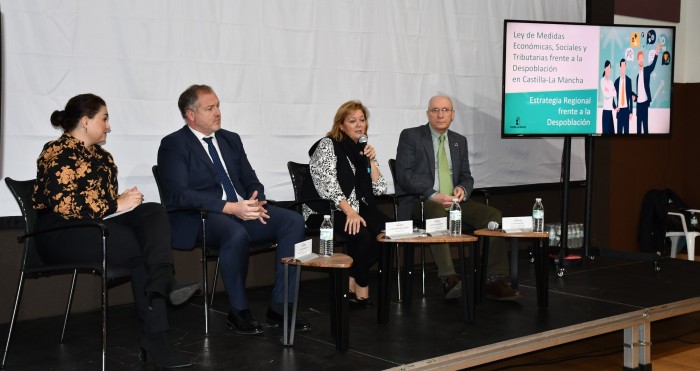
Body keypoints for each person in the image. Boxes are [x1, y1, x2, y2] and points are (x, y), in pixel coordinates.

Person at [32, 94, 200, 368]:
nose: (108, 126)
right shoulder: (56, 151)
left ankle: (160, 282)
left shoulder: (104, 158)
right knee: (139, 246)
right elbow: (65, 205)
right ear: (86, 121)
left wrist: (125, 202)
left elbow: (103, 209)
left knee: (154, 210)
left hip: (93, 226)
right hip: (58, 233)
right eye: (104, 118)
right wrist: (114, 203)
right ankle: (157, 328)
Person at [157, 84, 309, 335]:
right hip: (204, 216)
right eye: (210, 108)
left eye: (218, 106)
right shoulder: (174, 144)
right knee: (234, 234)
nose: (217, 112)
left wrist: (255, 200)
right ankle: (238, 310)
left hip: (242, 209)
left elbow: (250, 178)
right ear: (191, 115)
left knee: (292, 221)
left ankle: (281, 306)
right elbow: (179, 194)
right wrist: (230, 207)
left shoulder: (230, 139)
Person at [395, 95, 521, 301]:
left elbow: (466, 176)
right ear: (428, 113)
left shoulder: (458, 141)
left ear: (452, 114)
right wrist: (433, 195)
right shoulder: (411, 136)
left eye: (445, 110)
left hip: (455, 204)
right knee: (436, 212)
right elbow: (404, 175)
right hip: (421, 201)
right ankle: (449, 278)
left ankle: (493, 279)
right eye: (435, 110)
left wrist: (463, 188)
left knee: (493, 215)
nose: (440, 114)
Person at [301, 100, 389, 307]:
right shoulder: (328, 144)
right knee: (364, 236)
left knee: (387, 233)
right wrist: (349, 212)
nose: (359, 125)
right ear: (341, 125)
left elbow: (380, 188)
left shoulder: (361, 151)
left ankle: (352, 279)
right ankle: (362, 286)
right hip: (323, 210)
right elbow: (327, 186)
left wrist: (372, 161)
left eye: (362, 120)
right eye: (352, 121)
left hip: (354, 207)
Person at [635, 43, 662, 134]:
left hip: (645, 104)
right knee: (638, 129)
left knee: (645, 127)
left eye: (642, 58)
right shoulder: (637, 76)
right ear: (638, 61)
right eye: (640, 58)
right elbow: (638, 92)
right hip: (638, 105)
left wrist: (657, 52)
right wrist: (634, 97)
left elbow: (653, 65)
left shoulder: (647, 70)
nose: (641, 60)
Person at [614, 59, 636, 134]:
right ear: (620, 67)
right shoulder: (616, 82)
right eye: (622, 66)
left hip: (626, 111)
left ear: (625, 67)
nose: (623, 68)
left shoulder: (629, 80)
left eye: (624, 66)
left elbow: (630, 96)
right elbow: (611, 95)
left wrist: (631, 112)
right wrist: (614, 107)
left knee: (626, 134)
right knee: (618, 133)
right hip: (619, 111)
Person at [600, 60, 617, 134]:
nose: (608, 69)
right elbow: (605, 95)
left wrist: (609, 91)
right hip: (606, 111)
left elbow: (615, 93)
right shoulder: (602, 80)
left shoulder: (611, 82)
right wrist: (611, 91)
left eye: (609, 68)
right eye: (607, 67)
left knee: (612, 134)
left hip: (610, 112)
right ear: (604, 69)